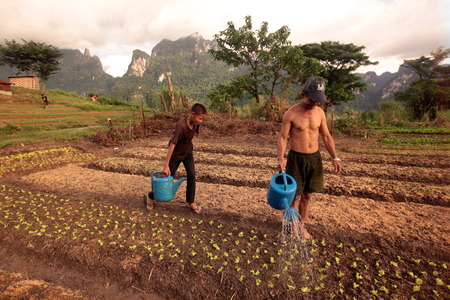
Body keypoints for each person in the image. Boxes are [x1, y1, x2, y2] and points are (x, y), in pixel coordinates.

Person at [277, 76, 342, 239]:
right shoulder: (290, 114)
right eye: (312, 99)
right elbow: (283, 138)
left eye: (318, 100)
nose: (315, 103)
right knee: (294, 196)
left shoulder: (320, 113)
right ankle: (292, 228)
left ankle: (301, 226)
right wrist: (280, 158)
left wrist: (335, 158)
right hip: (296, 159)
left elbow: (326, 136)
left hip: (314, 159)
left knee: (307, 196)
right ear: (303, 95)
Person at [144, 103, 207, 213]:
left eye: (202, 119)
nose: (200, 121)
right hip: (176, 155)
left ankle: (190, 201)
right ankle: (150, 197)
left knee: (191, 175)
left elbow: (196, 130)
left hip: (187, 153)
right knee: (167, 178)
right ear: (192, 114)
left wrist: (196, 132)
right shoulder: (181, 125)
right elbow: (172, 145)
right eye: (200, 118)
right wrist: (166, 165)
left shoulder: (196, 123)